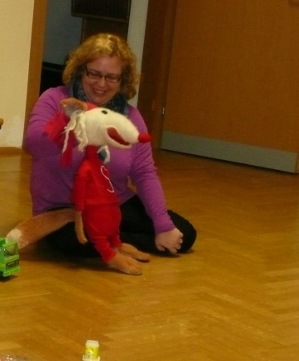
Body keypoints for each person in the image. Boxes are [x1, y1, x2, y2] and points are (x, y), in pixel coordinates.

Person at [24, 33, 196, 257]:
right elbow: (33, 144)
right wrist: (74, 122)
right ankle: (113, 239)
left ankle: (111, 239)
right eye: (94, 73)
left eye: (111, 77)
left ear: (122, 81)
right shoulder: (54, 99)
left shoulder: (130, 117)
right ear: (80, 70)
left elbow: (144, 174)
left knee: (184, 234)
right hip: (63, 210)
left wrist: (163, 226)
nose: (101, 84)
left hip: (112, 205)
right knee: (72, 240)